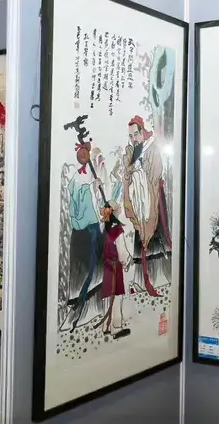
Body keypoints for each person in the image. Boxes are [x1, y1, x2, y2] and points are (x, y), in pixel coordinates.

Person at [122, 116, 172, 297]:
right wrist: (131, 173)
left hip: (153, 199)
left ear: (142, 131)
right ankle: (140, 280)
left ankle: (160, 277)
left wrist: (141, 172)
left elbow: (156, 173)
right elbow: (126, 176)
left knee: (156, 235)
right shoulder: (132, 152)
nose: (134, 138)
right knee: (140, 238)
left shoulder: (152, 148)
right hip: (138, 201)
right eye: (131, 136)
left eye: (136, 134)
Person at [67, 141, 104, 331]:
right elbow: (80, 204)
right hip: (86, 228)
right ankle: (79, 308)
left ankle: (89, 309)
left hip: (88, 227)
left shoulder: (88, 175)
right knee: (88, 268)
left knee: (93, 267)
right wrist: (93, 189)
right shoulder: (79, 178)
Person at [96, 201, 131, 339]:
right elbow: (122, 252)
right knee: (116, 295)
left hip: (105, 266)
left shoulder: (101, 228)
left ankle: (106, 326)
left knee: (108, 295)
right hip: (115, 265)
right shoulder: (117, 230)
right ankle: (115, 328)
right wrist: (127, 261)